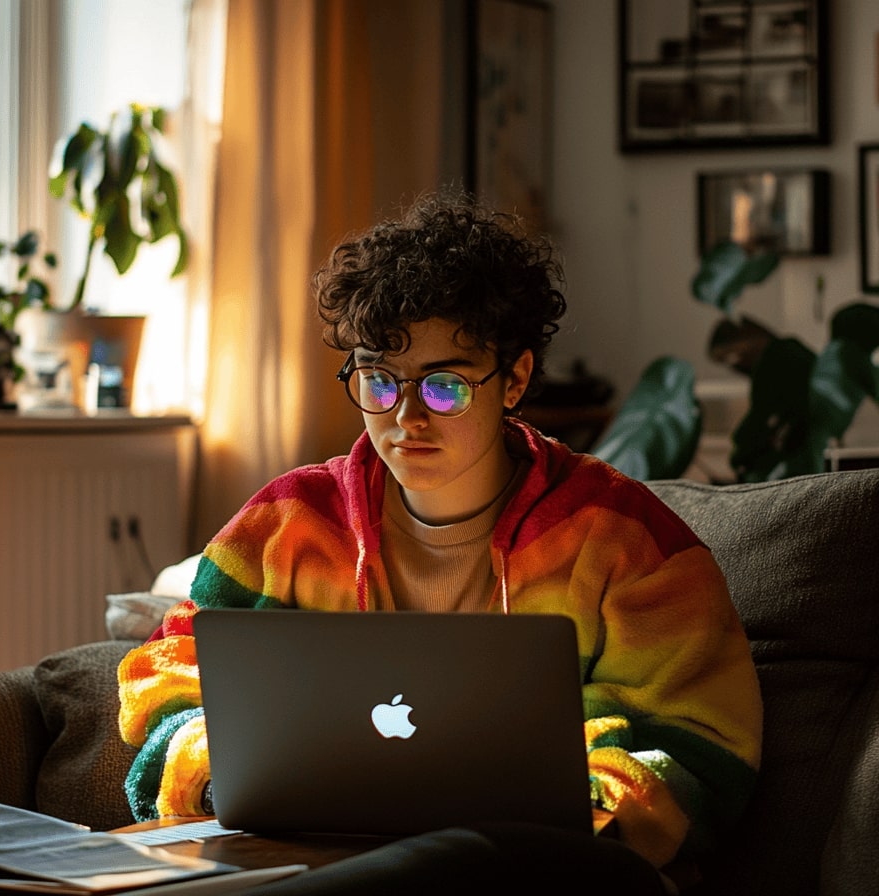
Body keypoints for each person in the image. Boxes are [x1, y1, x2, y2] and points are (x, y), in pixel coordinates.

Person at [116, 190, 762, 889]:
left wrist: (592, 804)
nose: (407, 420)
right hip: (317, 848)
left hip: (551, 868)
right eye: (380, 382)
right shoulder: (288, 525)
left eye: (445, 387)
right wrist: (220, 778)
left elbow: (705, 746)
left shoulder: (625, 541)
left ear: (513, 378)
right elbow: (166, 670)